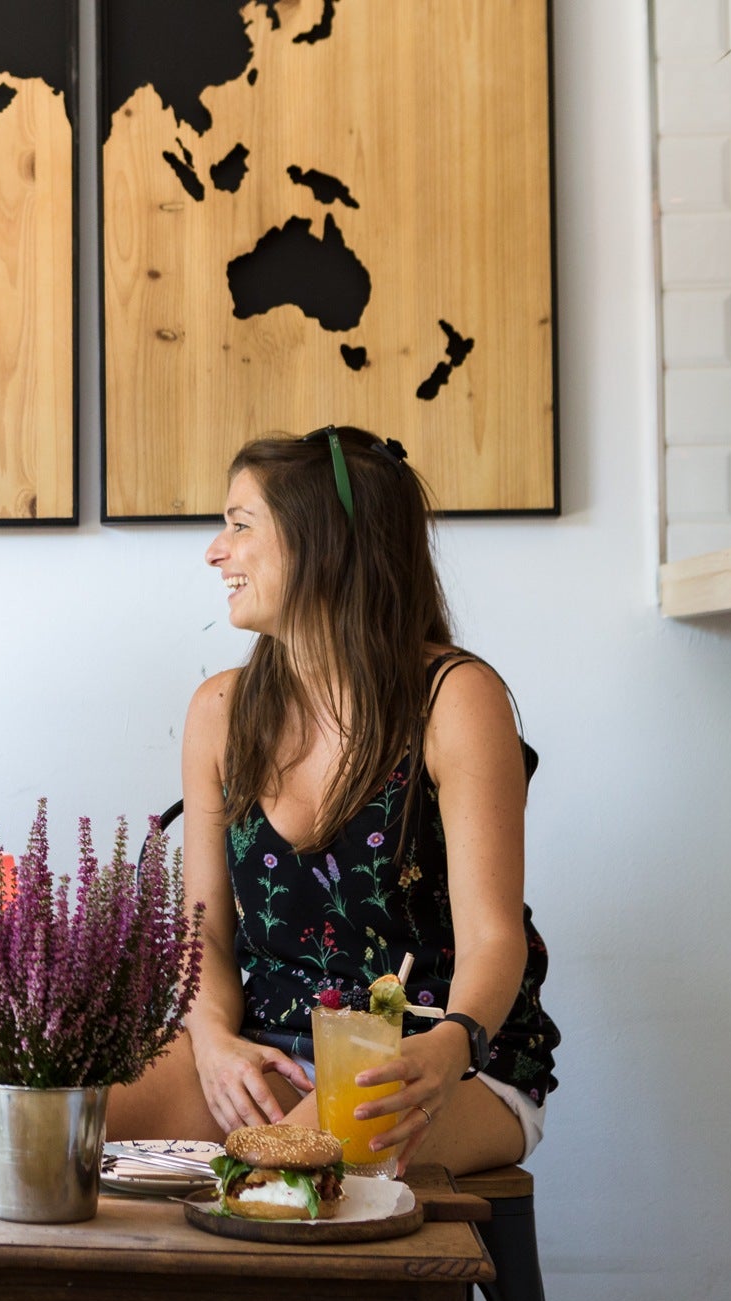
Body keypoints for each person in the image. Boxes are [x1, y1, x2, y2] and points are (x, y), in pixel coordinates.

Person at [107, 427, 559, 1175]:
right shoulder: (219, 710)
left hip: (444, 1057)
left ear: (323, 541)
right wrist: (214, 1044)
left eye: (240, 524)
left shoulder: (455, 698)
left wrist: (449, 1048)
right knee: (66, 1125)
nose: (215, 551)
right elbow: (206, 937)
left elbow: (494, 938)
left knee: (288, 1164)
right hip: (265, 1042)